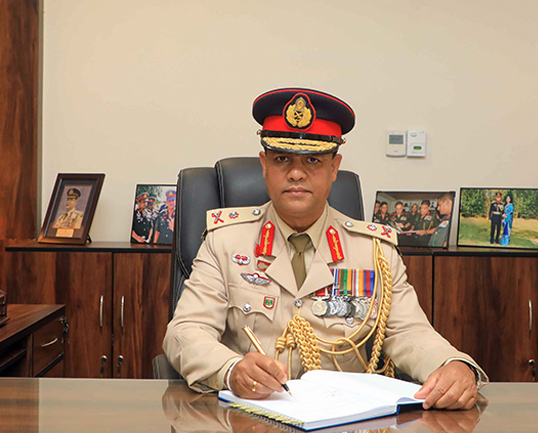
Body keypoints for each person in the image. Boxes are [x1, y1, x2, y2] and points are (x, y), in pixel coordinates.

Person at [163, 87, 487, 411]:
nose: (296, 173)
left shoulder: (374, 250)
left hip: (346, 420)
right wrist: (231, 370)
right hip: (250, 415)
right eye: (282, 159)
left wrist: (453, 365)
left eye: (313, 160)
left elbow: (409, 332)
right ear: (264, 165)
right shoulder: (225, 242)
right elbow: (186, 332)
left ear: (335, 168)